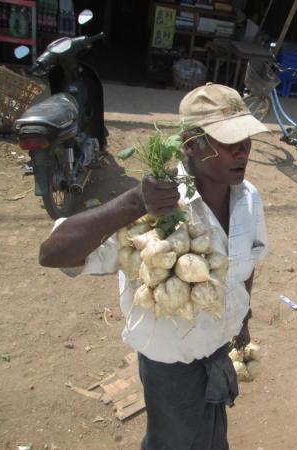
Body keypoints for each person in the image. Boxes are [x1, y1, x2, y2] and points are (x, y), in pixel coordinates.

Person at [38, 83, 270, 449]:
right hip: (171, 366)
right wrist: (132, 203)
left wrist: (242, 326)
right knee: (172, 442)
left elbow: (248, 265)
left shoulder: (249, 198)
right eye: (229, 143)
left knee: (212, 438)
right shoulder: (150, 209)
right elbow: (52, 254)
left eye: (247, 140)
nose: (243, 152)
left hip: (218, 349)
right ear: (191, 144)